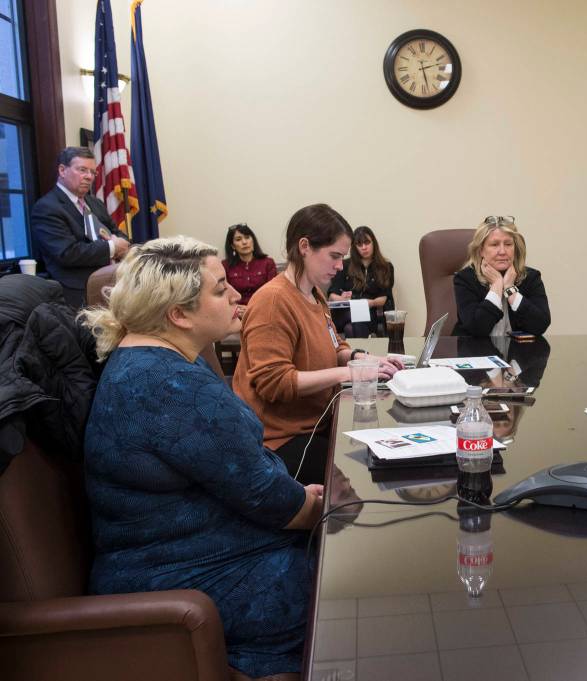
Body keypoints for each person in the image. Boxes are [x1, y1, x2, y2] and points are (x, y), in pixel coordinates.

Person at [80, 236, 324, 679]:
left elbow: (242, 475)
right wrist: (319, 510)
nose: (235, 295)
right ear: (178, 314)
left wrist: (299, 498)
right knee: (344, 580)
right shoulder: (169, 386)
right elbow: (264, 495)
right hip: (180, 580)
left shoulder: (156, 359)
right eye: (220, 288)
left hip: (191, 555)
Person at [233, 204, 403, 483]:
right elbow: (274, 383)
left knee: (385, 448)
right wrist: (349, 374)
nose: (340, 266)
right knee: (368, 472)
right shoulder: (273, 302)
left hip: (315, 423)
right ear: (304, 247)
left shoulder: (314, 294)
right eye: (334, 256)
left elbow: (335, 346)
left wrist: (365, 360)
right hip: (280, 440)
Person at [29, 147, 131, 308]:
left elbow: (117, 233)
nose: (89, 177)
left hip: (113, 283)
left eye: (93, 172)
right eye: (82, 170)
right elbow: (67, 253)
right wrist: (112, 246)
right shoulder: (47, 208)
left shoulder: (95, 203)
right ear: (62, 170)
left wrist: (121, 243)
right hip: (78, 293)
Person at [453, 216, 551, 337]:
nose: (503, 251)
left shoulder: (531, 277)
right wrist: (497, 285)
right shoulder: (465, 279)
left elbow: (540, 325)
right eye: (494, 245)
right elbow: (477, 328)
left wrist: (510, 289)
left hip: (516, 349)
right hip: (475, 348)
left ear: (515, 248)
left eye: (508, 244)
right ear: (481, 250)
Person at [327, 225, 395, 337]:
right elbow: (332, 295)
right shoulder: (344, 265)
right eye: (359, 244)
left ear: (374, 243)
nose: (364, 247)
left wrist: (369, 303)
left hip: (370, 313)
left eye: (367, 243)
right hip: (345, 313)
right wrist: (344, 299)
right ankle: (363, 349)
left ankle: (354, 349)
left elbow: (384, 298)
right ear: (354, 247)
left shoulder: (385, 267)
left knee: (351, 327)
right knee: (354, 323)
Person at [223, 222, 278, 312]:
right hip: (236, 312)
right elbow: (224, 295)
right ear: (233, 246)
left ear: (253, 240)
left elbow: (273, 293)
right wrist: (236, 309)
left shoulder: (268, 263)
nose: (244, 242)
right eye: (238, 239)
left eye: (247, 237)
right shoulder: (225, 266)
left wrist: (252, 309)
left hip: (263, 310)